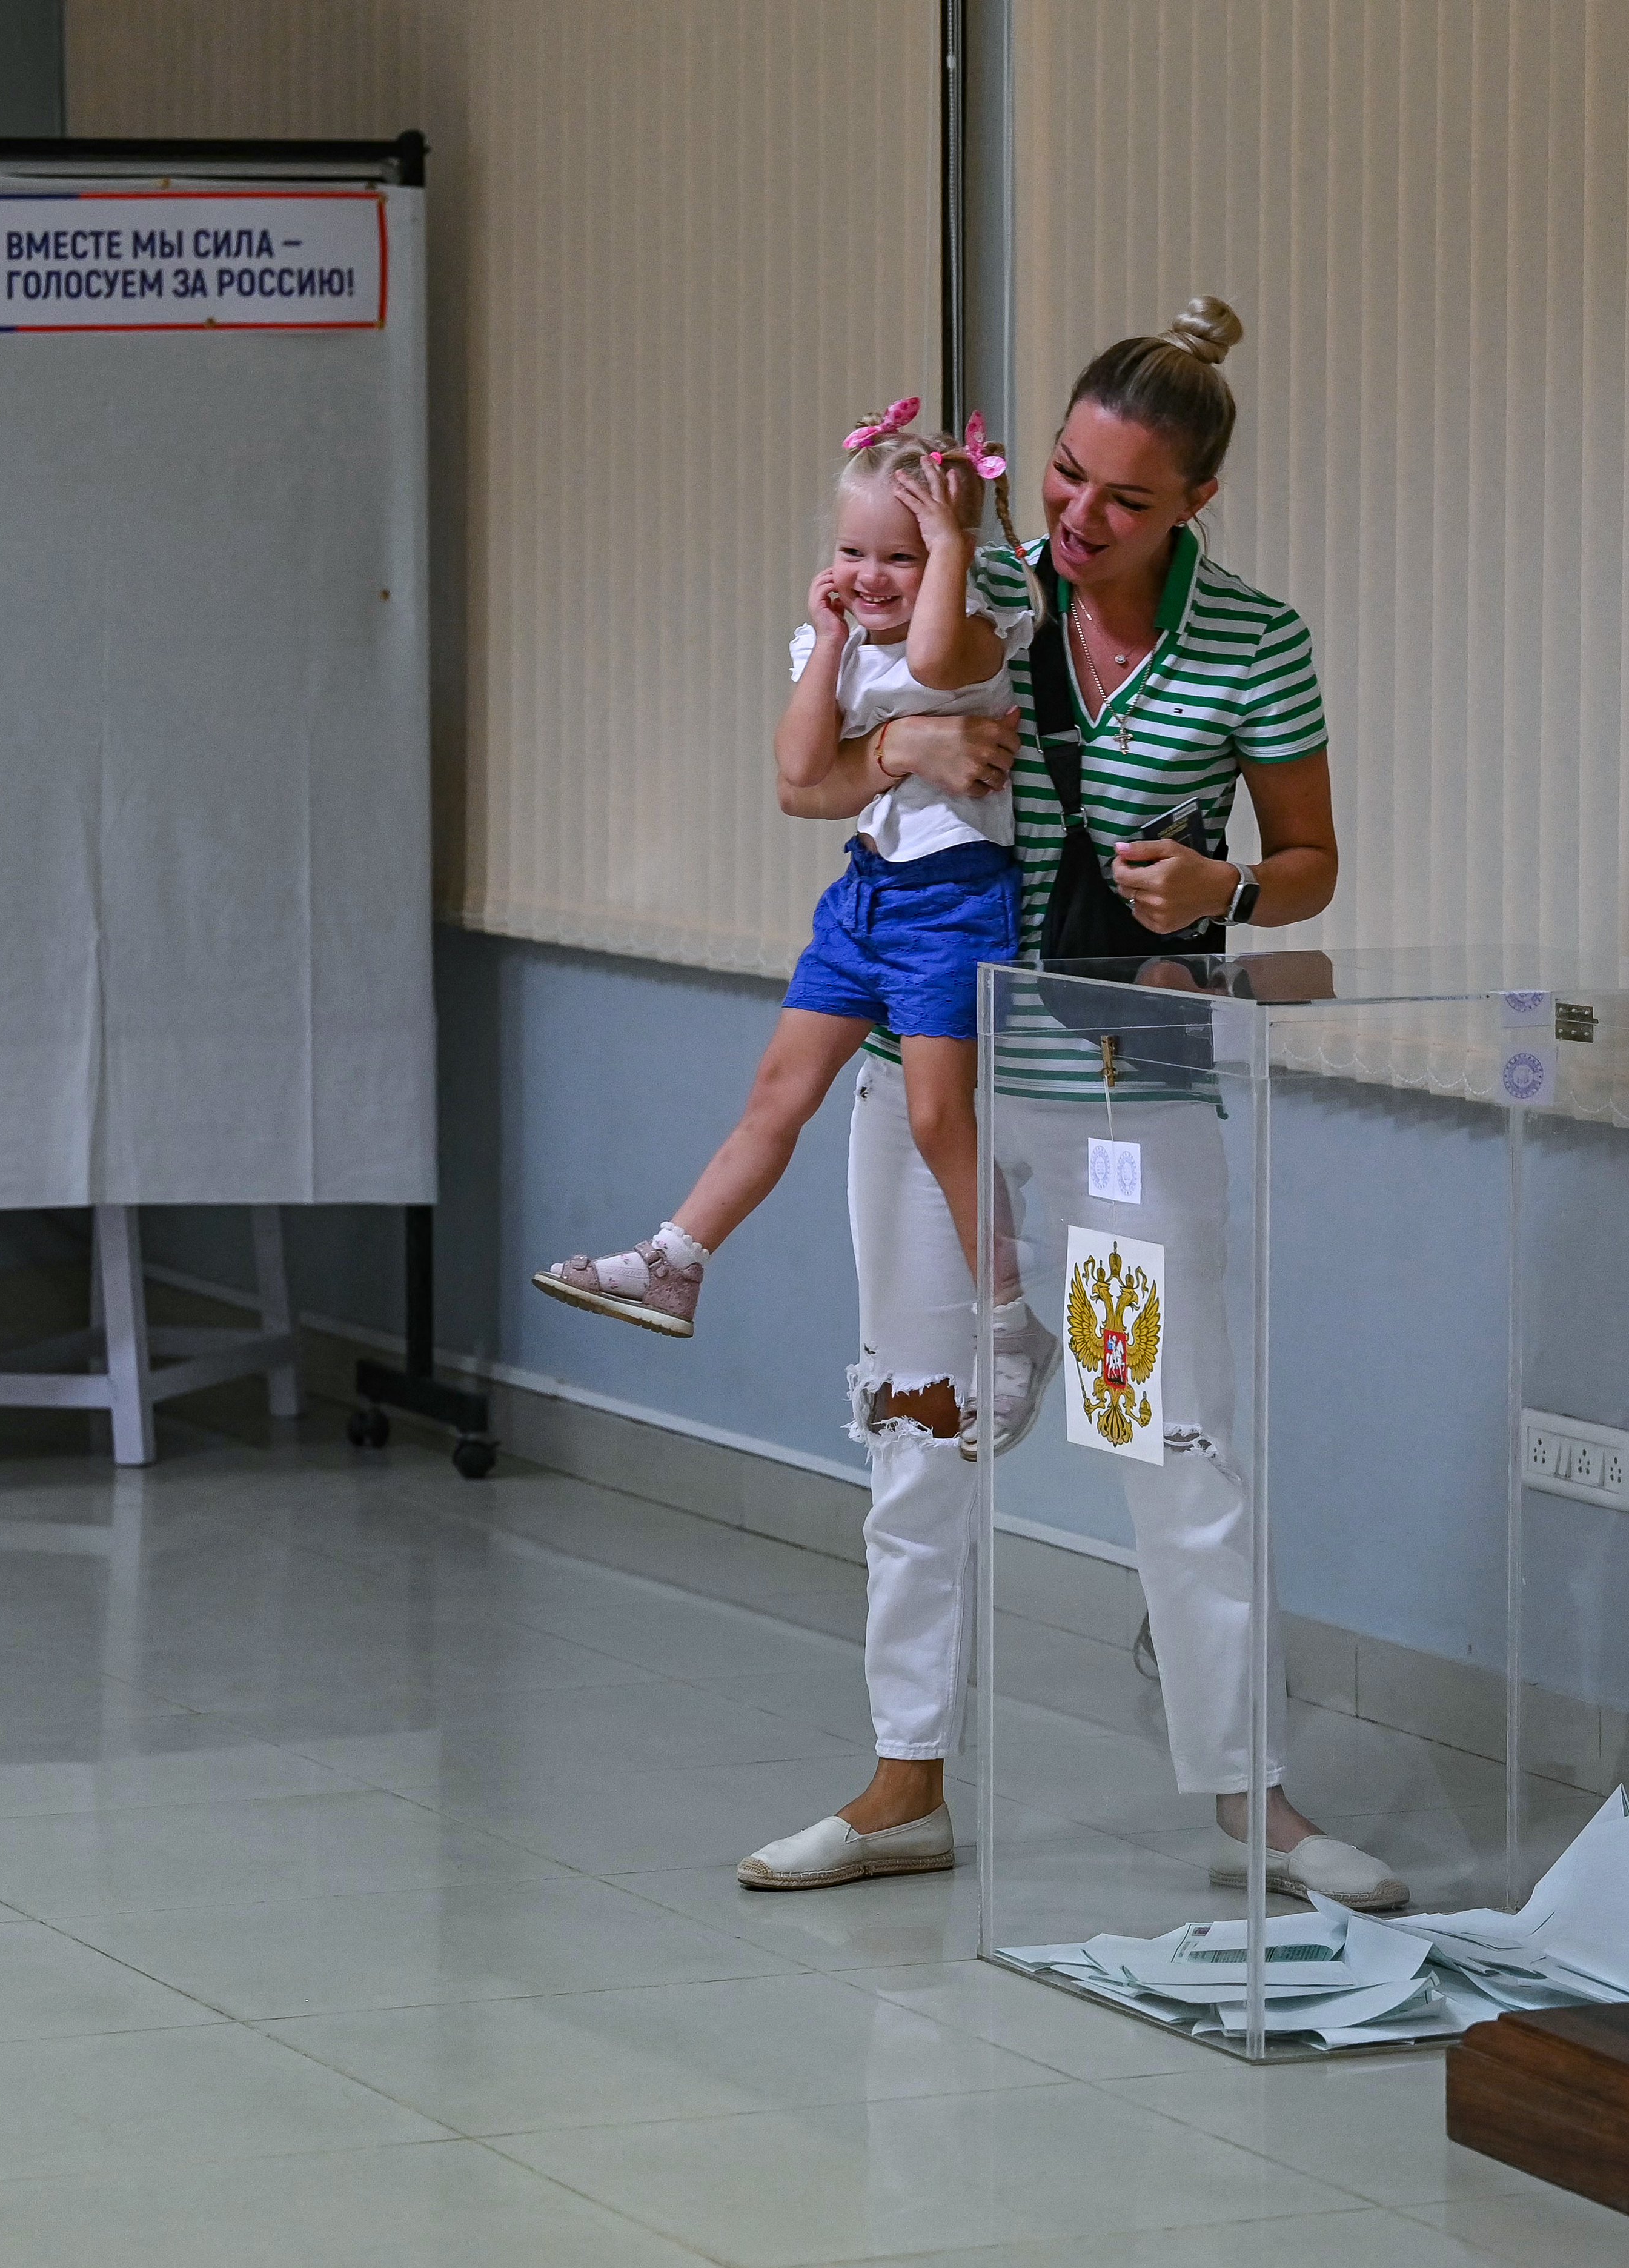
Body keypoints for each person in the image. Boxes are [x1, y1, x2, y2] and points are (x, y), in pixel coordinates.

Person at [735, 298, 1408, 1912]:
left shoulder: (1256, 640)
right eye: (1061, 480)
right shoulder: (971, 600)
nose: (1079, 522)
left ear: (1196, 508)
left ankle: (1251, 1798)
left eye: (1123, 501)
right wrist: (875, 681)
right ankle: (905, 1787)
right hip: (928, 1087)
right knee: (921, 1425)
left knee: (1161, 1438)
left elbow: (1311, 863)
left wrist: (1224, 884)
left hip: (1123, 1095)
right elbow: (820, 775)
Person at [531, 405, 1058, 1455]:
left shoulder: (974, 626)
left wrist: (954, 543)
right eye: (853, 551)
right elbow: (804, 767)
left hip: (956, 900)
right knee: (779, 1089)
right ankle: (678, 1256)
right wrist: (824, 646)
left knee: (938, 1116)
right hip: (865, 897)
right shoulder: (846, 645)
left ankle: (1009, 1322)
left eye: (900, 556)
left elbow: (947, 661)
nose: (873, 576)